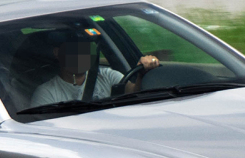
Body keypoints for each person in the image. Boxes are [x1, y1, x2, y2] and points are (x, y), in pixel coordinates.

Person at [29, 31, 159, 108]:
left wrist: (142, 74)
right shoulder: (46, 94)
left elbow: (133, 91)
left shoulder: (107, 76)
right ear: (57, 53)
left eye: (86, 50)